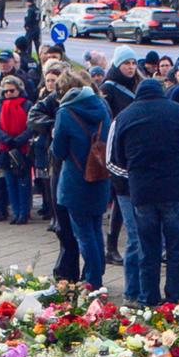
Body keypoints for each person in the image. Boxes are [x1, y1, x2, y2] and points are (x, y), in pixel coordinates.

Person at [110, 74, 179, 306]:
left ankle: (148, 297)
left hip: (142, 192)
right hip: (176, 189)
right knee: (177, 248)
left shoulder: (125, 116)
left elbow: (120, 157)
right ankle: (176, 296)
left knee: (148, 248)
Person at [51, 66, 114, 289]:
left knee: (83, 234)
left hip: (75, 180)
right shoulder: (101, 106)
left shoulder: (65, 112)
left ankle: (92, 281)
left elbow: (58, 151)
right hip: (99, 177)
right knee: (96, 229)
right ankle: (95, 275)